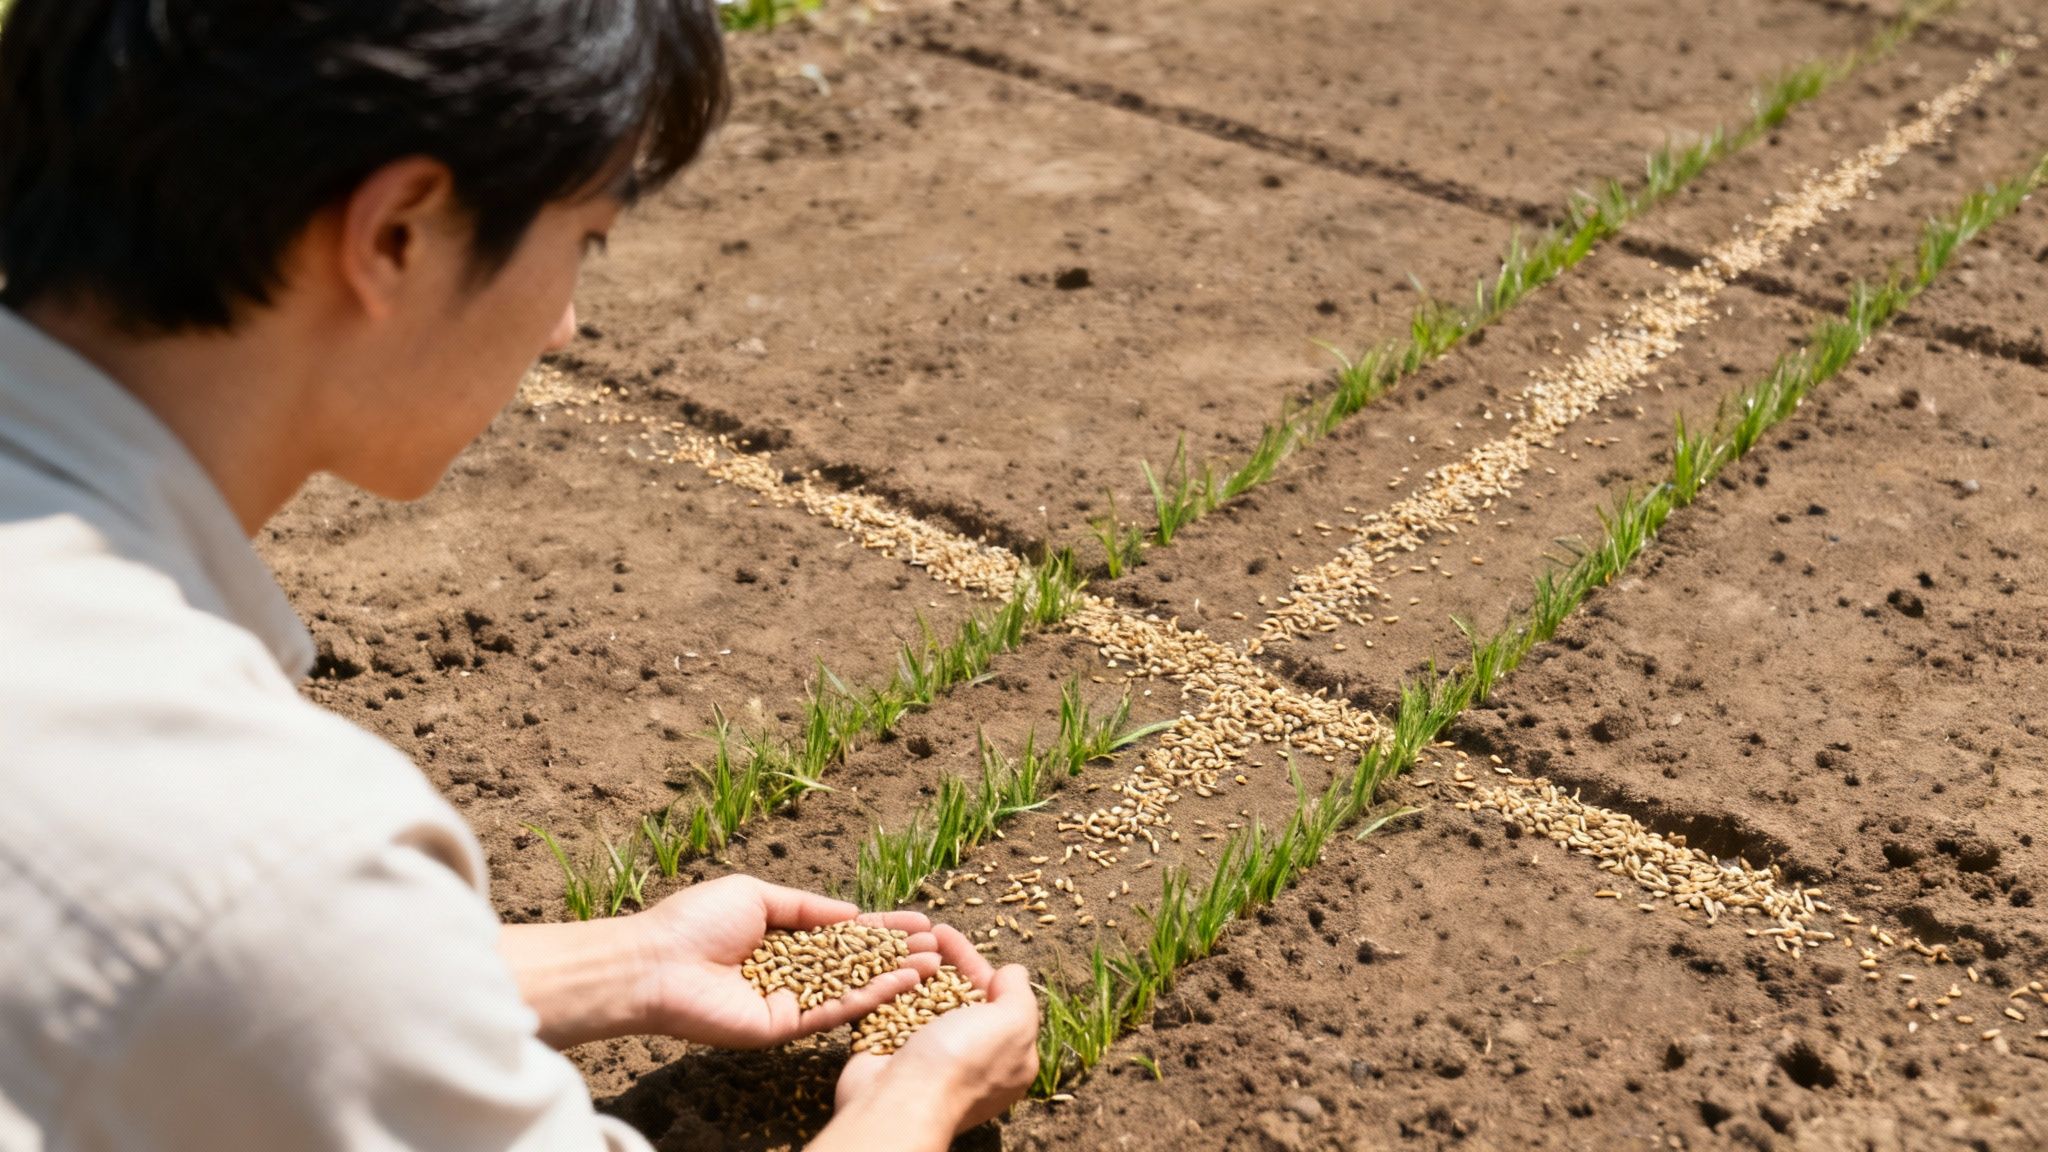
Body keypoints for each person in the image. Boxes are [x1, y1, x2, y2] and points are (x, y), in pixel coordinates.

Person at [0, 1, 1040, 1148]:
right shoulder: (265, 849)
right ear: (398, 233)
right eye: (582, 238)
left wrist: (626, 960)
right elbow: (251, 938)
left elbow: (186, 983)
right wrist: (917, 1098)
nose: (566, 327)